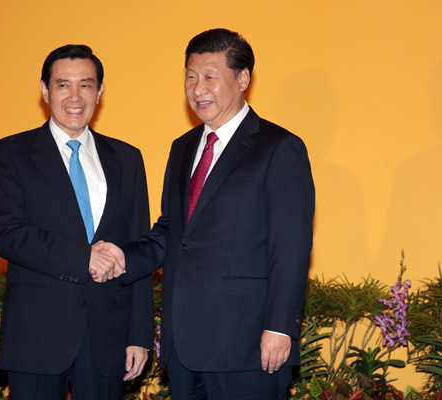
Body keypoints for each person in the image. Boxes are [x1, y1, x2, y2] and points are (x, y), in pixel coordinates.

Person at [94, 29, 315, 399]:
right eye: (191, 77)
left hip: (248, 346)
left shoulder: (278, 148)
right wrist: (125, 257)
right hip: (184, 346)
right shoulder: (182, 148)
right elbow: (173, 231)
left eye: (211, 76)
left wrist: (279, 328)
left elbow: (290, 248)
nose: (198, 89)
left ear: (243, 79)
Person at [0, 44, 152, 400]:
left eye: (86, 85)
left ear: (99, 92)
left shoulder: (127, 158)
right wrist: (84, 257)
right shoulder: (11, 153)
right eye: (63, 85)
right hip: (37, 336)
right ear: (44, 90)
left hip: (108, 338)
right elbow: (9, 235)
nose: (75, 97)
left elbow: (138, 248)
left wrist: (139, 334)